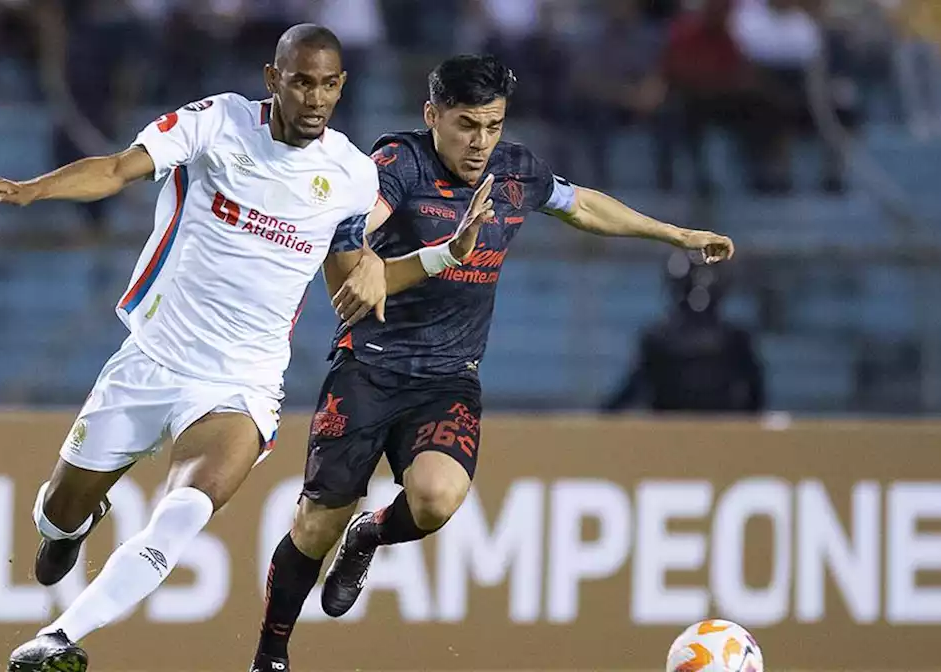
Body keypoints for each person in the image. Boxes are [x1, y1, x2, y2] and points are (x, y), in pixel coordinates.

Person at [249, 54, 735, 672]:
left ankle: (369, 534)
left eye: (493, 125)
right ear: (433, 116)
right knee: (315, 525)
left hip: (451, 376)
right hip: (370, 367)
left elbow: (580, 204)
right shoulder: (398, 163)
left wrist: (676, 235)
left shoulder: (515, 170)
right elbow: (356, 222)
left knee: (436, 499)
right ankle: (270, 655)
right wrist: (363, 256)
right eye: (466, 125)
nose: (480, 142)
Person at [0, 24, 388, 672]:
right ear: (274, 80)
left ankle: (58, 638)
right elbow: (113, 170)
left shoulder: (353, 176)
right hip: (153, 359)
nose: (314, 98)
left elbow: (346, 271)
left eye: (328, 85)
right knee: (56, 514)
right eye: (301, 82)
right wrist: (31, 189)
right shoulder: (217, 122)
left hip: (241, 384)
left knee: (184, 513)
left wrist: (387, 271)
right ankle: (69, 526)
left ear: (341, 87)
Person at [602, 252, 765, 413]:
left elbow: (755, 398)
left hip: (717, 432)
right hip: (671, 433)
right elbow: (635, 388)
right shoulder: (658, 340)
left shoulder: (735, 340)